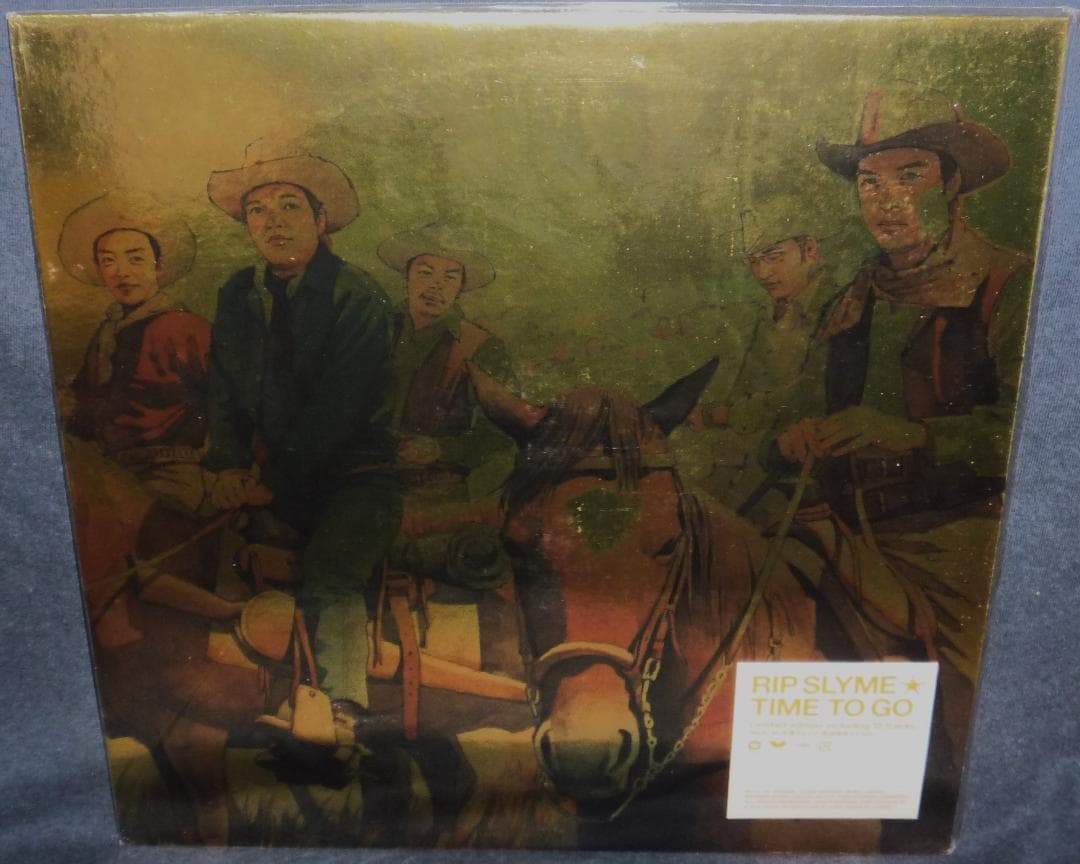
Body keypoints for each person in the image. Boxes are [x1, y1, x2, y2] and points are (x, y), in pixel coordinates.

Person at [772, 87, 1030, 825]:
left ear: (952, 184)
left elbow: (1034, 437)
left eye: (909, 175)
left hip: (953, 538)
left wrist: (913, 435)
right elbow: (789, 413)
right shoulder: (852, 298)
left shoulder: (1008, 283)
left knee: (971, 710)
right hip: (840, 527)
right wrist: (788, 438)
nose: (886, 200)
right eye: (869, 181)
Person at [58, 193, 275, 845]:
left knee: (153, 542)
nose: (122, 270)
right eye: (109, 259)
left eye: (135, 257)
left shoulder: (180, 327)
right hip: (114, 471)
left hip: (172, 471)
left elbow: (234, 399)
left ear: (159, 267)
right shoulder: (107, 331)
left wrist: (245, 472)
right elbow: (88, 413)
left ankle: (205, 658)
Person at [203, 141, 400, 725]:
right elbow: (224, 388)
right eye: (257, 211)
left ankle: (341, 711)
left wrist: (274, 478)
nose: (273, 223)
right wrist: (228, 464)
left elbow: (339, 407)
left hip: (356, 478)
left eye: (290, 206)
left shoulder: (358, 294)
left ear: (320, 220)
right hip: (271, 478)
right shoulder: (239, 293)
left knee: (330, 575)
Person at [689, 198, 835, 519]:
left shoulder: (840, 307)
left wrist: (726, 414)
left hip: (805, 477)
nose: (763, 273)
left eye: (773, 257)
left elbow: (812, 395)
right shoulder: (768, 311)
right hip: (750, 466)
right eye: (753, 261)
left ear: (810, 250)